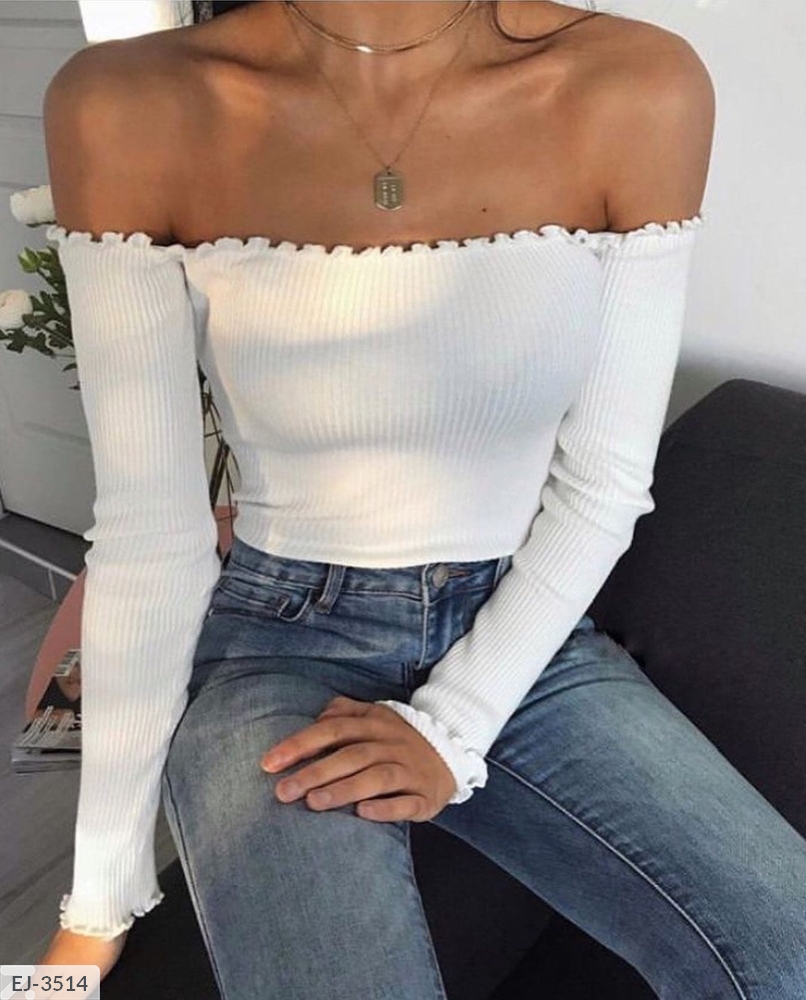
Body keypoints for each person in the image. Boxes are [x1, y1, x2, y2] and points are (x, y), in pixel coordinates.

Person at [37, 2, 806, 997]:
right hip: (277, 642)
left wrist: (452, 728)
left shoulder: (637, 83)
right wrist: (94, 911)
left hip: (523, 633)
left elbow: (602, 482)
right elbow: (152, 537)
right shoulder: (130, 100)